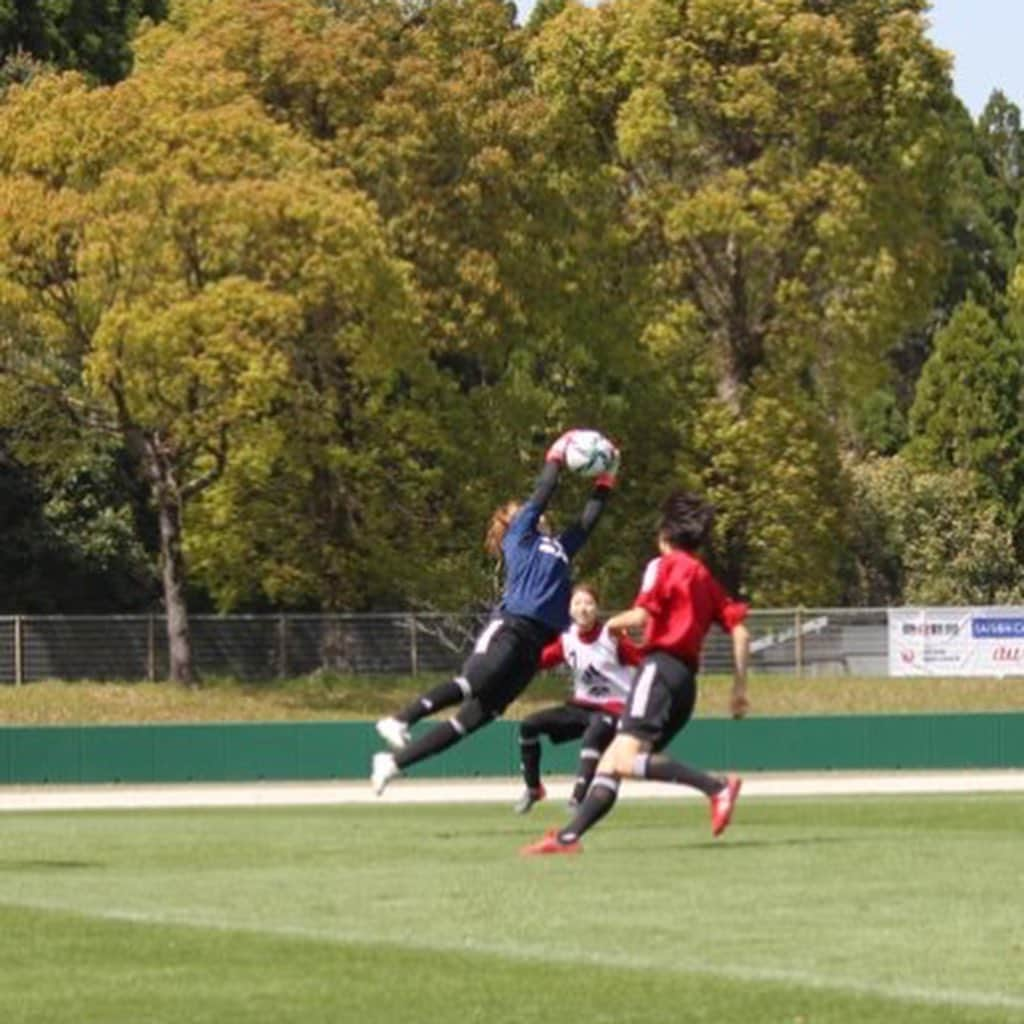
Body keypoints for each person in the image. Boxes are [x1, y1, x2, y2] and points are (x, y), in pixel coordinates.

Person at [371, 430, 619, 796]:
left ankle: (393, 763)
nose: (533, 511)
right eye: (521, 510)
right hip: (512, 626)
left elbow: (588, 520)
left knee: (470, 722)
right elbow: (543, 491)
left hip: (534, 647)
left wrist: (607, 476)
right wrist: (556, 454)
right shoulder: (520, 536)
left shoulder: (560, 548)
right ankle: (400, 719)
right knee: (474, 680)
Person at [521, 489, 750, 855]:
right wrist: (739, 688)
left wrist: (612, 623)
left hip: (659, 671)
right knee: (611, 764)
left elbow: (642, 616)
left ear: (664, 537)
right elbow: (739, 629)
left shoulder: (665, 567)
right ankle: (567, 838)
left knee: (623, 760)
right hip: (685, 683)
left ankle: (716, 787)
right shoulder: (705, 577)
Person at [514, 581, 643, 814]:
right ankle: (533, 789)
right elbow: (538, 661)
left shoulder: (611, 637)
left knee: (595, 732)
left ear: (597, 608)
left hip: (615, 709)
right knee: (528, 725)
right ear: (570, 609)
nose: (583, 608)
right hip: (582, 707)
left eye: (589, 603)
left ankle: (577, 800)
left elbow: (644, 662)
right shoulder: (567, 639)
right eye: (578, 603)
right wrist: (511, 663)